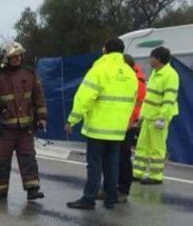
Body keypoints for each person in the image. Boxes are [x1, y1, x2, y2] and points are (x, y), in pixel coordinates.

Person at [65, 38, 138, 210]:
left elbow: (84, 97)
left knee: (95, 164)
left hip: (97, 128)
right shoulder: (130, 73)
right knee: (113, 164)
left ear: (105, 50)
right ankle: (110, 198)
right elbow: (132, 101)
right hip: (118, 129)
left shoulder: (98, 69)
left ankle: (89, 198)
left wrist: (72, 119)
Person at [0, 42, 47, 201]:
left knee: (28, 158)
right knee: (2, 161)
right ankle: (0, 189)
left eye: (19, 56)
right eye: (13, 57)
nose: (17, 59)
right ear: (6, 58)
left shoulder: (29, 73)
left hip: (26, 128)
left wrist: (42, 117)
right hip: (4, 127)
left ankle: (32, 189)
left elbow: (39, 97)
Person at [132, 46, 179, 185]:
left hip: (159, 118)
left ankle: (155, 176)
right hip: (148, 116)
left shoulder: (170, 75)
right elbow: (149, 97)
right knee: (142, 146)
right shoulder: (156, 73)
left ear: (158, 59)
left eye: (151, 57)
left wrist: (162, 118)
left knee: (157, 148)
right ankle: (138, 172)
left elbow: (169, 99)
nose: (149, 60)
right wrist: (141, 116)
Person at [108, 54, 145, 200]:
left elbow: (136, 104)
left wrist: (129, 122)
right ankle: (115, 186)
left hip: (128, 124)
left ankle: (123, 188)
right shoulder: (132, 76)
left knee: (123, 155)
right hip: (120, 122)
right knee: (117, 155)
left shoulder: (137, 80)